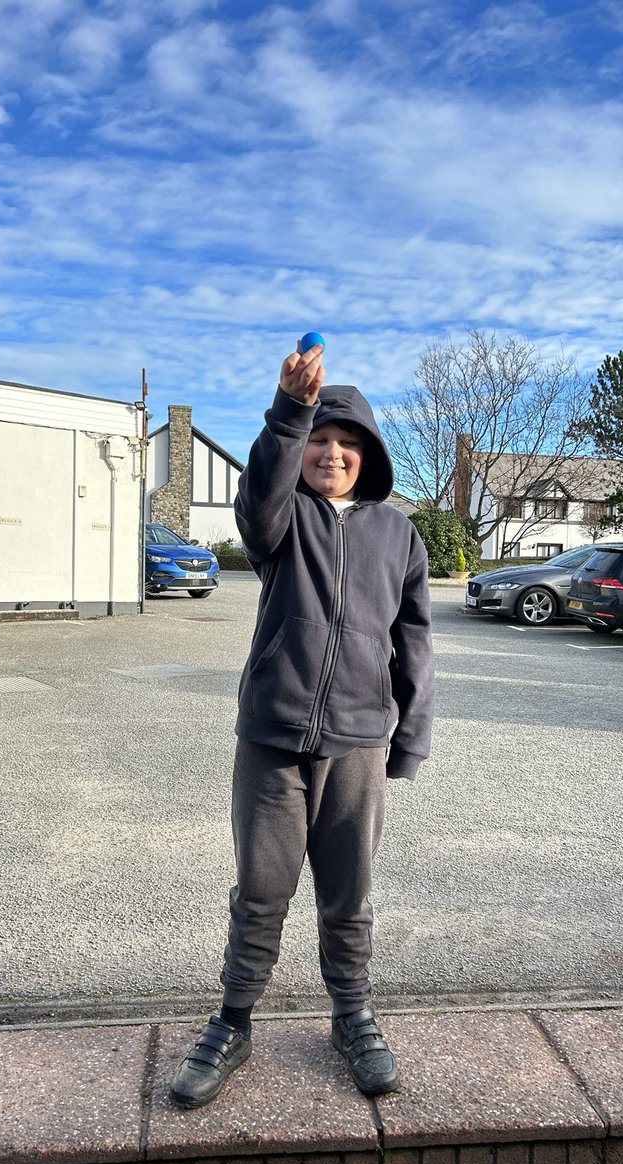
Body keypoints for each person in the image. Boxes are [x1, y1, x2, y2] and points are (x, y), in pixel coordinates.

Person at [170, 340, 435, 1109]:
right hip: (273, 739)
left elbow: (413, 641)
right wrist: (291, 410)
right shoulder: (281, 521)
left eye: (347, 443)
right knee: (261, 889)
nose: (332, 453)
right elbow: (257, 503)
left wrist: (409, 735)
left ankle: (352, 1017)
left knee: (348, 895)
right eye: (321, 439)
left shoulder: (399, 536)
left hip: (357, 742)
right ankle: (233, 1022)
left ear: (370, 455)